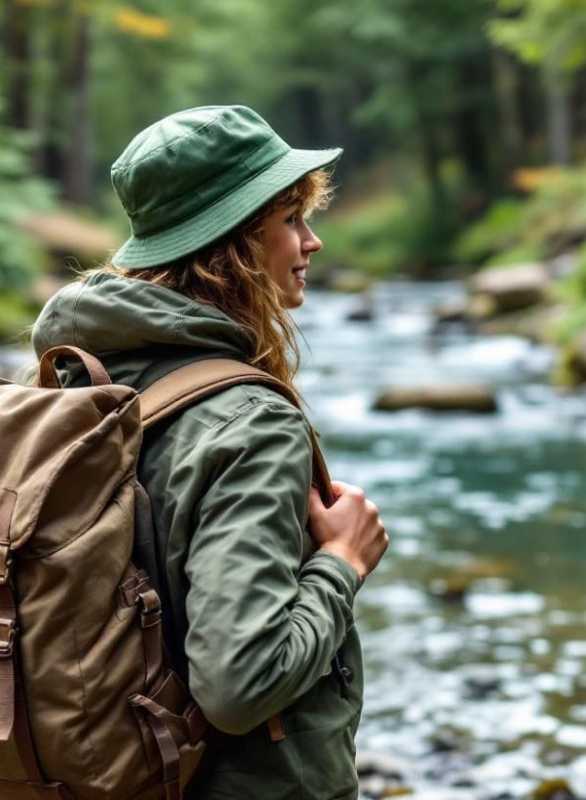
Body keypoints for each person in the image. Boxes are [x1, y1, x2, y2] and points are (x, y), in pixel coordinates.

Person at [28, 105, 389, 799]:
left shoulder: (74, 381)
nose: (311, 242)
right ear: (231, 243)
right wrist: (342, 564)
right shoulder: (249, 424)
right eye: (290, 219)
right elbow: (238, 684)